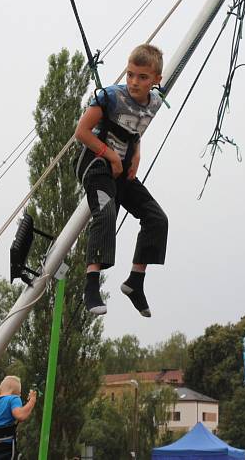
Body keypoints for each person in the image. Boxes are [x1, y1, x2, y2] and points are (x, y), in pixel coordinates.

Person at [74, 44, 168, 317]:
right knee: (106, 211)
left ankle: (135, 281)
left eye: (142, 77)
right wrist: (112, 157)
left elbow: (136, 130)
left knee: (156, 218)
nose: (134, 82)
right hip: (95, 164)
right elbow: (82, 131)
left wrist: (135, 155)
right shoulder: (110, 98)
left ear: (156, 80)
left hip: (122, 171)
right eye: (130, 75)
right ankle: (91, 286)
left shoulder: (155, 103)